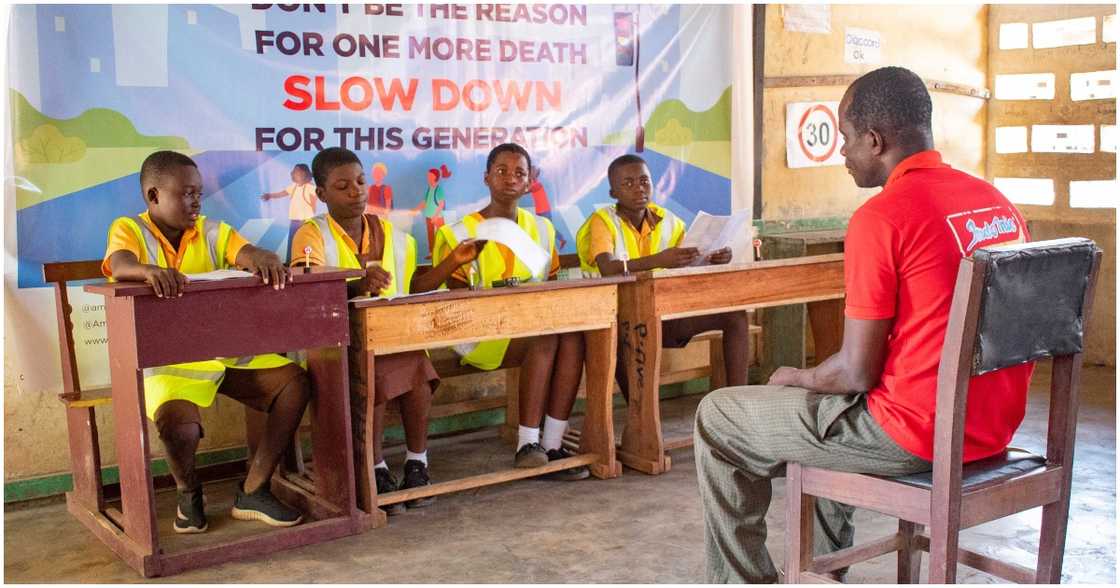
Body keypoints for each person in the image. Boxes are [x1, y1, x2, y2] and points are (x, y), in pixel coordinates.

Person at [693, 66, 1032, 583]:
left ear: (874, 141)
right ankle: (823, 574)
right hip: (990, 428)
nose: (842, 154)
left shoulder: (883, 216)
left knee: (719, 416)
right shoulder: (997, 205)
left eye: (847, 140)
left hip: (914, 435)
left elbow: (855, 373)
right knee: (833, 408)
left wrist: (797, 377)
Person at [104, 150, 310, 533]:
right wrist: (148, 271)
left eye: (199, 193)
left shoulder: (213, 229)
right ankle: (188, 491)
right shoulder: (128, 229)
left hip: (225, 352)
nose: (196, 201)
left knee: (294, 383)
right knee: (179, 428)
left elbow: (245, 252)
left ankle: (254, 488)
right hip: (169, 360)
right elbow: (119, 265)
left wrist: (261, 256)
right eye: (186, 193)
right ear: (153, 196)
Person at [291, 147, 440, 514]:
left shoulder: (387, 232)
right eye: (342, 186)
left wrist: (451, 263)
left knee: (417, 366)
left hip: (387, 335)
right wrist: (357, 285)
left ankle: (417, 463)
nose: (356, 191)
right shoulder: (310, 235)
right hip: (331, 346)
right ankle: (374, 469)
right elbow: (308, 293)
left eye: (360, 182)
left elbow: (409, 286)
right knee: (376, 369)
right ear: (322, 195)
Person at [427, 143, 588, 481]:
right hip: (477, 332)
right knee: (543, 338)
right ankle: (527, 445)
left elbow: (554, 285)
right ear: (487, 177)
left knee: (573, 337)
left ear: (530, 181)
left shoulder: (542, 229)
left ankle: (553, 444)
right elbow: (454, 297)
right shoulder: (458, 232)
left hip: (533, 326)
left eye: (520, 173)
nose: (510, 178)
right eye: (501, 171)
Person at [576, 154, 749, 396]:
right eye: (628, 184)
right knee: (622, 340)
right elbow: (608, 268)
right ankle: (640, 417)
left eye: (644, 181)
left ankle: (738, 400)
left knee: (735, 315)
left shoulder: (669, 220)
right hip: (618, 319)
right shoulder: (603, 222)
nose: (639, 188)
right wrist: (659, 260)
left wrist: (713, 257)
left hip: (663, 314)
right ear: (613, 193)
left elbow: (686, 264)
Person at [261, 162, 317, 255]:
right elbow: (282, 193)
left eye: (295, 171)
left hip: (305, 222)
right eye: (293, 171)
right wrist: (270, 195)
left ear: (303, 174)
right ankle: (291, 262)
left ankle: (306, 262)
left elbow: (314, 203)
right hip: (294, 221)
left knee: (305, 244)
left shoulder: (310, 187)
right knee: (292, 244)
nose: (292, 173)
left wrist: (309, 219)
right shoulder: (293, 187)